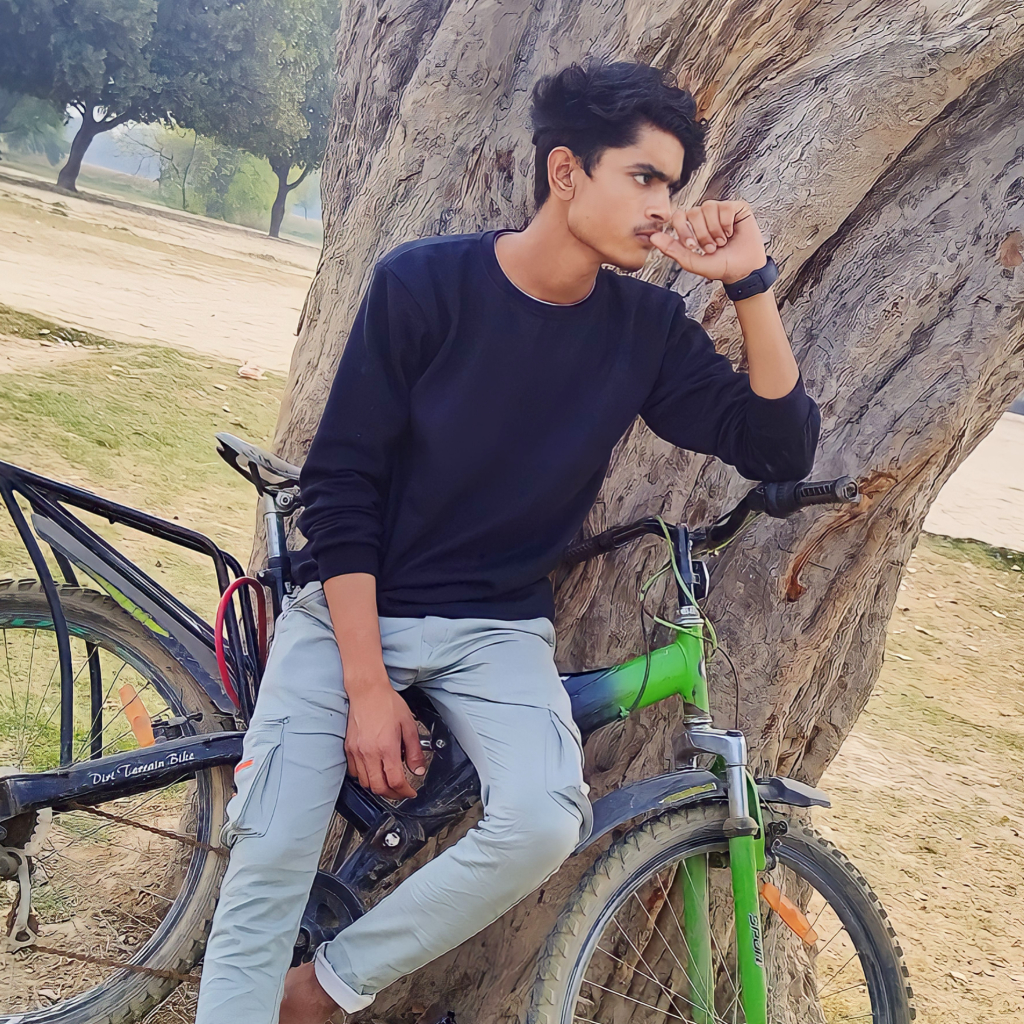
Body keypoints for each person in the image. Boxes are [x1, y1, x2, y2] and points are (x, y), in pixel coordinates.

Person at [193, 59, 821, 1024]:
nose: (664, 208)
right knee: (272, 847)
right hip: (352, 609)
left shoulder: (645, 327)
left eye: (674, 185)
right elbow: (342, 489)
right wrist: (367, 687)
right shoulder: (424, 284)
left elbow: (776, 444)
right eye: (644, 178)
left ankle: (323, 989)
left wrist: (752, 283)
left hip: (496, 629)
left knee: (540, 820)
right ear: (566, 172)